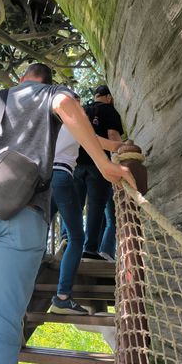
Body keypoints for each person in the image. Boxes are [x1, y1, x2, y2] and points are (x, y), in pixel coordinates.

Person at [0, 64, 136, 364]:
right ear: (47, 81)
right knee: (2, 328)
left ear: (21, 80)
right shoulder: (52, 94)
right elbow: (66, 107)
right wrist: (104, 164)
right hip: (25, 211)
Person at [50, 95, 122, 314]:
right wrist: (121, 146)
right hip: (62, 175)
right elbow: (101, 142)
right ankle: (62, 296)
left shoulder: (49, 124)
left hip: (42, 178)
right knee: (77, 237)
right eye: (79, 105)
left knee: (39, 227)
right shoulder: (74, 122)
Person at [74, 85, 124, 259]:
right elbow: (113, 136)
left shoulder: (82, 110)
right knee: (96, 207)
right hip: (97, 164)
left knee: (76, 207)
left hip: (75, 165)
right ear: (109, 97)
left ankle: (71, 244)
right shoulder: (109, 111)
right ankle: (89, 248)